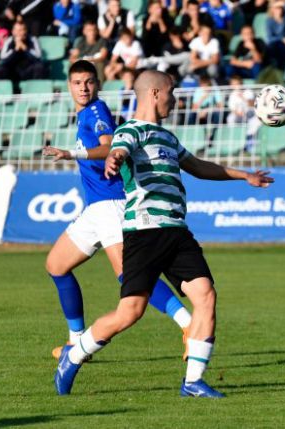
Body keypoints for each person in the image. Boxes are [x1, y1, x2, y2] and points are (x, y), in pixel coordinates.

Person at [54, 69, 274, 397]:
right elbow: (119, 148)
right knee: (130, 312)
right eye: (171, 92)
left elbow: (198, 166)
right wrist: (115, 158)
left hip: (177, 231)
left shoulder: (168, 138)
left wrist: (244, 176)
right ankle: (75, 354)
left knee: (206, 295)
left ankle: (193, 381)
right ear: (155, 93)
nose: (175, 99)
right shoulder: (130, 130)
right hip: (145, 232)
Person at [41, 60, 193, 361]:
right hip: (95, 208)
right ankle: (77, 343)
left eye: (89, 82)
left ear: (98, 85)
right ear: (69, 86)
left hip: (111, 204)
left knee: (130, 275)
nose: (84, 88)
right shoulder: (85, 114)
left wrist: (72, 153)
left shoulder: (96, 112)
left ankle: (188, 324)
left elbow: (109, 146)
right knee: (56, 265)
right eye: (77, 83)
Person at [0, 20, 46, 89]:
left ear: (26, 31)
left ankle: (36, 90)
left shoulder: (33, 39)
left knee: (40, 67)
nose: (19, 33)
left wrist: (25, 49)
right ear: (13, 32)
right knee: (0, 69)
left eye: (21, 30)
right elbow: (3, 59)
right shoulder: (9, 41)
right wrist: (15, 50)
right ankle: (5, 91)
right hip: (13, 72)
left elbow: (38, 57)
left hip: (29, 71)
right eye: (17, 30)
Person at [265, 0, 285, 70]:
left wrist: (284, 4)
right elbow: (270, 38)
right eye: (276, 8)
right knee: (279, 48)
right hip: (276, 45)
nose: (279, 10)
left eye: (280, 8)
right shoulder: (269, 21)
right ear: (272, 10)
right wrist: (282, 39)